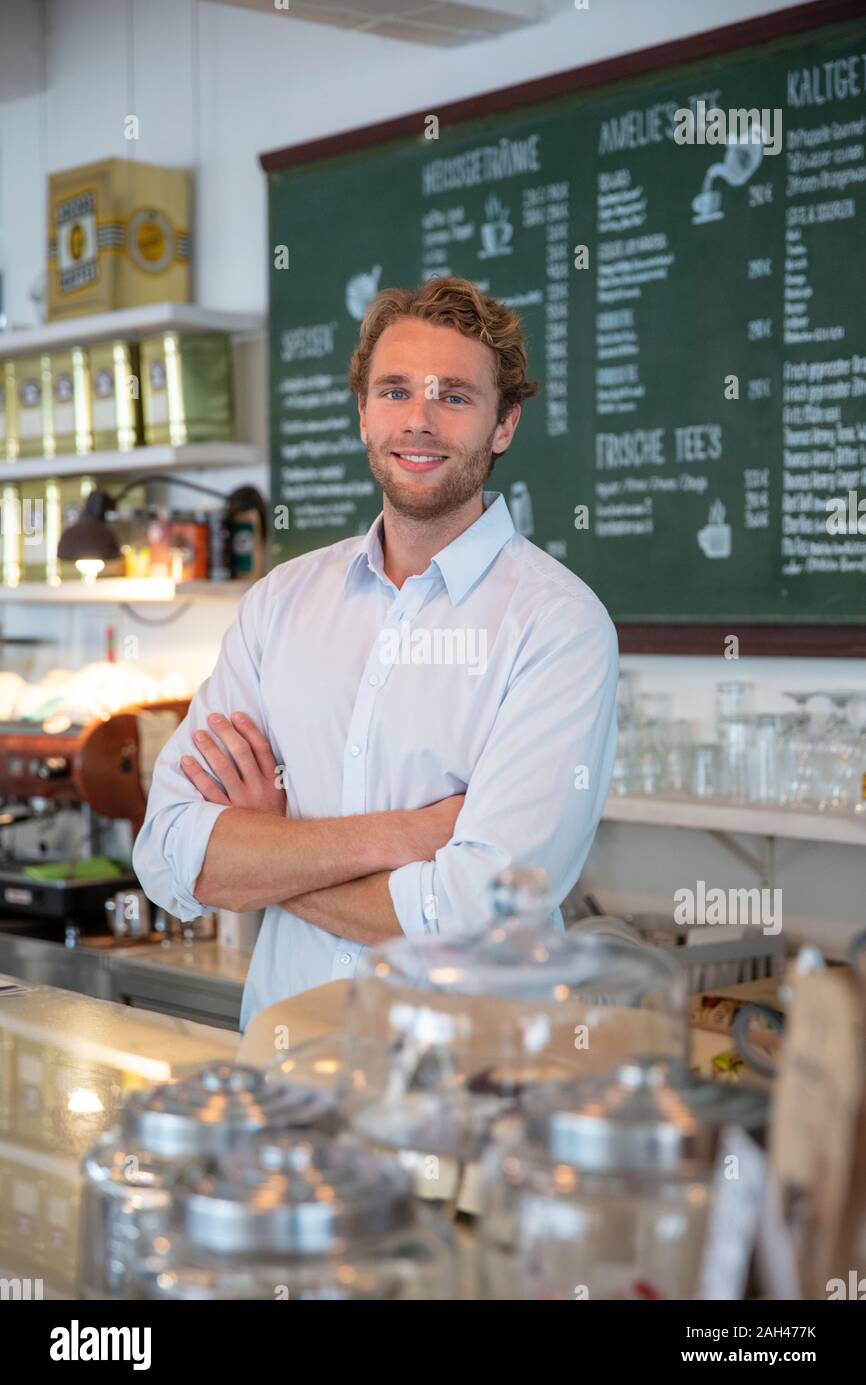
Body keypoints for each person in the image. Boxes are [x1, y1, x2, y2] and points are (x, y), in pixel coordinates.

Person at [132, 275, 619, 1031]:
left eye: (454, 396)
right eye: (395, 392)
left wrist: (268, 852)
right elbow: (167, 852)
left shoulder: (558, 626)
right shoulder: (279, 604)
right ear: (363, 414)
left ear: (504, 425)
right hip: (284, 1077)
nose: (419, 421)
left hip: (464, 1094)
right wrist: (406, 835)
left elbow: (481, 918)